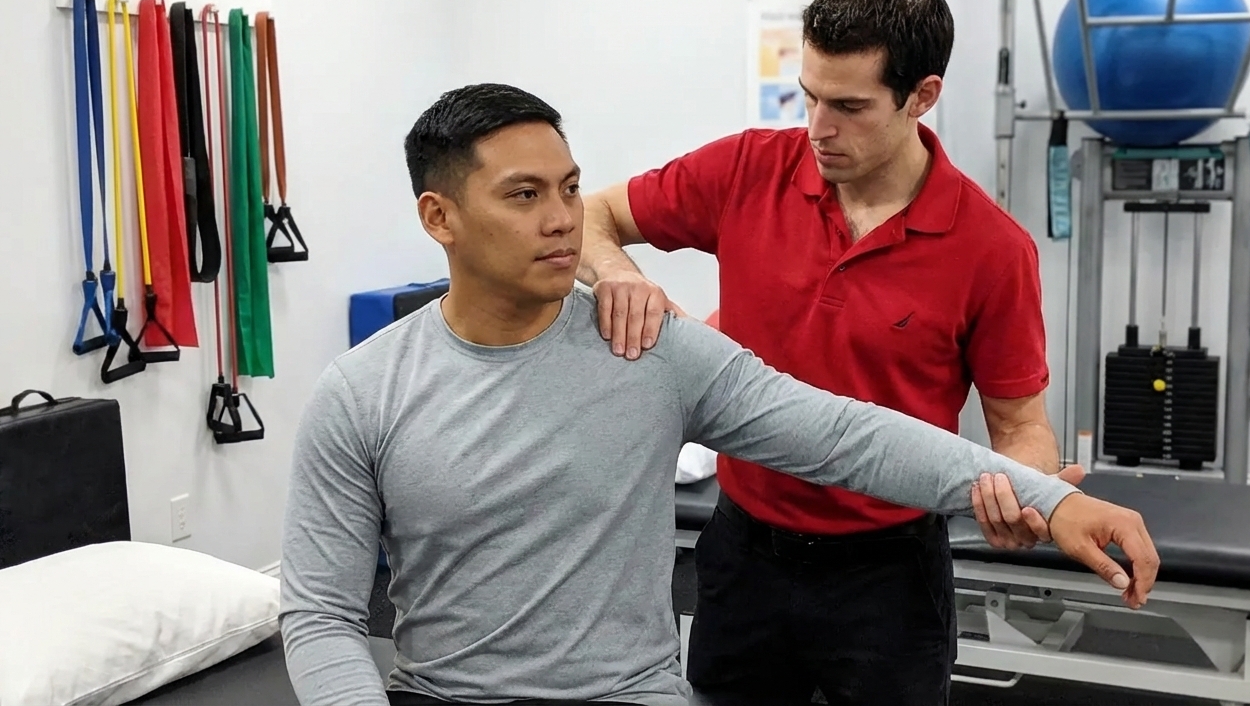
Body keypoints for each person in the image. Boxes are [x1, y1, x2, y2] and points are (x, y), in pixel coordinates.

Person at [278, 83, 1159, 706]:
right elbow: (321, 615)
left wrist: (1049, 503)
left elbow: (845, 434)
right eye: (524, 195)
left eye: (572, 189)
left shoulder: (649, 348)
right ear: (440, 219)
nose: (561, 218)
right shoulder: (363, 393)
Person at [577, 0, 1072, 706]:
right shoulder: (748, 168)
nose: (817, 128)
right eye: (808, 96)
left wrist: (1023, 495)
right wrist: (624, 280)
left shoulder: (992, 249)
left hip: (889, 576)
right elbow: (590, 216)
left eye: (848, 105)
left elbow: (1021, 426)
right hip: (744, 549)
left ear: (922, 97)